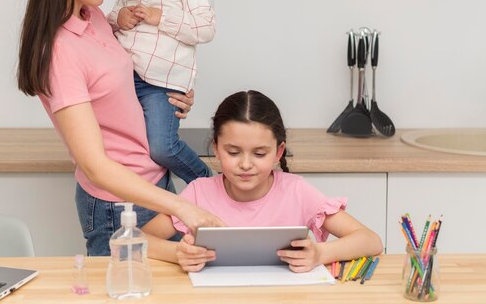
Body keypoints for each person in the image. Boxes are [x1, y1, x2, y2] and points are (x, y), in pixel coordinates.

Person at [17, 0, 223, 256]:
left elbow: (125, 85)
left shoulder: (94, 17)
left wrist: (170, 95)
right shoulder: (60, 52)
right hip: (119, 205)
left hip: (152, 182)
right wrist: (182, 206)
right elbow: (96, 167)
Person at [142, 90, 384, 272]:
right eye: (233, 152)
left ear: (278, 153)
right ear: (215, 149)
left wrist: (319, 253)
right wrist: (178, 253)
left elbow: (371, 241)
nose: (246, 164)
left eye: (259, 154)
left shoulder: (296, 191)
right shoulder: (198, 193)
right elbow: (137, 240)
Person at [107, 0, 215, 184]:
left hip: (163, 85)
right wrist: (120, 17)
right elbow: (107, 26)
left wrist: (161, 17)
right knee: (137, 151)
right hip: (127, 81)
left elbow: (205, 28)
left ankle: (208, 182)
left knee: (162, 147)